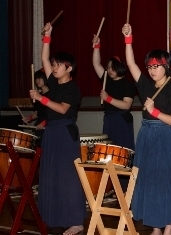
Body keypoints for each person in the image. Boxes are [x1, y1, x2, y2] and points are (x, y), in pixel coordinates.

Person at [122, 23, 171, 235]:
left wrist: (154, 111)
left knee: (167, 182)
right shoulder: (146, 85)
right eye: (149, 67)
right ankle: (156, 226)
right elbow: (131, 63)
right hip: (147, 137)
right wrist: (128, 39)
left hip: (164, 136)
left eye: (156, 66)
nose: (152, 70)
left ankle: (168, 227)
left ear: (166, 66)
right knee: (150, 182)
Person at [29, 22, 86, 235]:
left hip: (65, 134)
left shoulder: (73, 88)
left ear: (68, 68)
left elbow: (62, 109)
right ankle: (53, 217)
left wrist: (42, 99)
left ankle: (76, 221)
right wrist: (48, 37)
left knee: (68, 178)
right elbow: (44, 59)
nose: (53, 67)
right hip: (52, 132)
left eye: (57, 64)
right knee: (51, 176)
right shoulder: (53, 83)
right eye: (53, 64)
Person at [92, 35, 135, 151]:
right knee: (107, 152)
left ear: (120, 67)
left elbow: (126, 105)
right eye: (108, 68)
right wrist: (96, 46)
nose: (109, 70)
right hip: (109, 120)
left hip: (121, 121)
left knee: (122, 151)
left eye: (112, 68)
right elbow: (96, 63)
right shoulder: (107, 79)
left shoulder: (128, 84)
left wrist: (108, 98)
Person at [23, 69, 49, 147]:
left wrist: (44, 123)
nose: (37, 80)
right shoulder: (38, 95)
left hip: (48, 125)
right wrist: (29, 118)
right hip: (38, 126)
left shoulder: (52, 94)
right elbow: (37, 113)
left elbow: (54, 114)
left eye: (40, 78)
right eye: (36, 78)